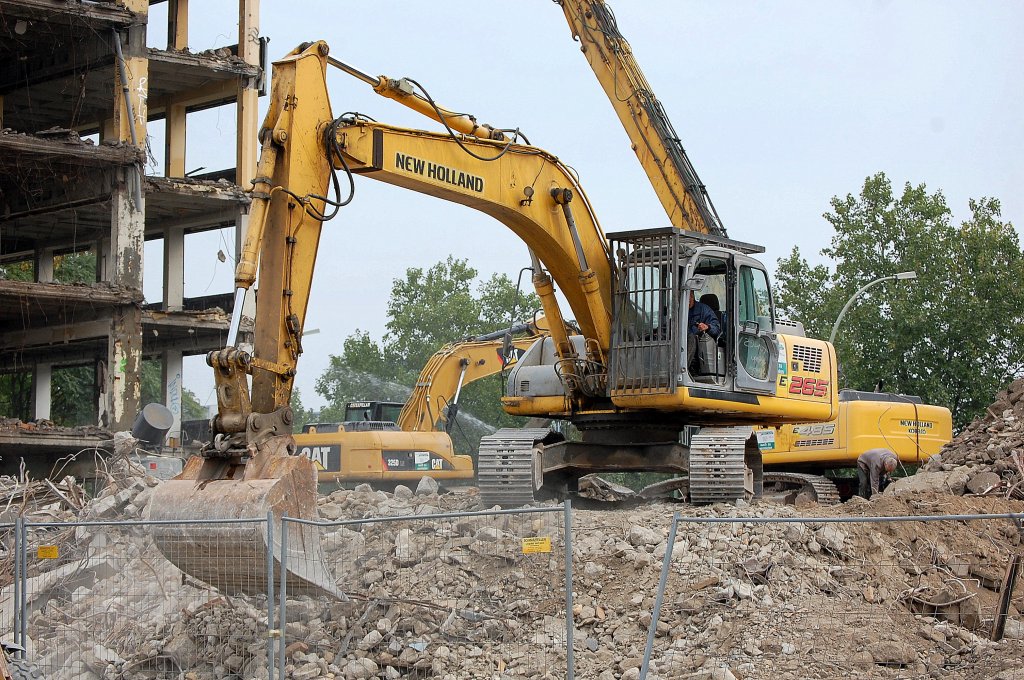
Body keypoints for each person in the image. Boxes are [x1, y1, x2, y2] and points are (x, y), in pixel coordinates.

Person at [686, 291, 721, 369]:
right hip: (681, 345)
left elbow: (717, 329)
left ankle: (684, 368)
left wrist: (707, 327)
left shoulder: (704, 310)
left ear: (692, 296)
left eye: (689, 296)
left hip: (699, 347)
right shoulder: (677, 311)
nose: (688, 299)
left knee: (691, 337)